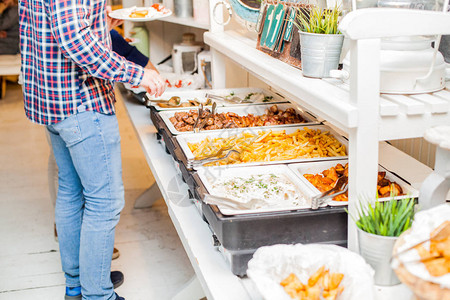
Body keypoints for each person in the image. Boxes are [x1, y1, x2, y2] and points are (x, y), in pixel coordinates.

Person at [19, 1, 165, 299]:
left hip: (53, 100)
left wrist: (99, 23)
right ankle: (98, 294)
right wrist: (137, 73)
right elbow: (75, 40)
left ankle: (79, 283)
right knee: (104, 202)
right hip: (82, 102)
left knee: (71, 193)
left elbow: (53, 28)